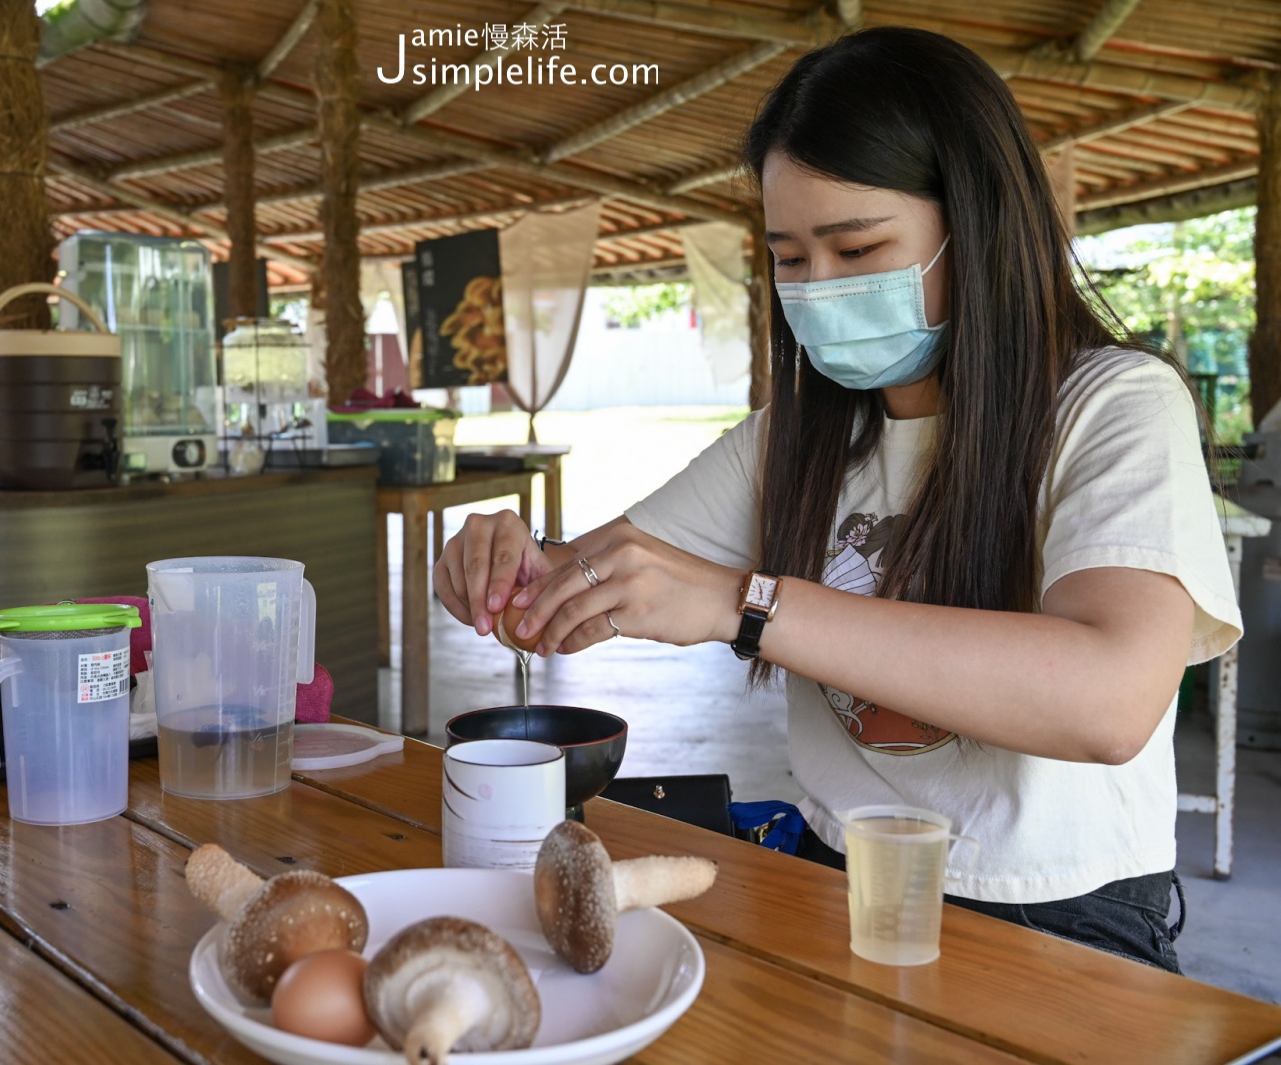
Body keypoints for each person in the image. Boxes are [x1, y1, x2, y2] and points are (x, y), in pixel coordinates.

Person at [432, 26, 1241, 974]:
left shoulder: (1111, 405)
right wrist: (510, 562)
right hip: (835, 878)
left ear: (973, 224)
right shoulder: (802, 436)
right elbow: (584, 580)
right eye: (789, 257)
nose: (818, 289)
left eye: (856, 247)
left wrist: (749, 604)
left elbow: (1110, 701)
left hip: (1060, 916)